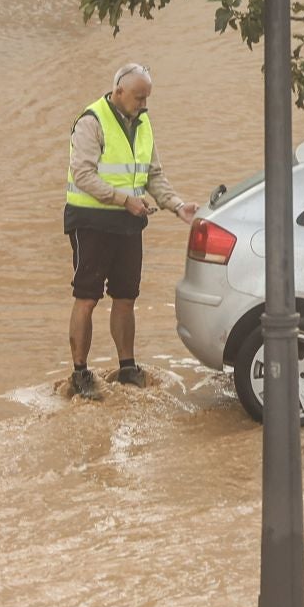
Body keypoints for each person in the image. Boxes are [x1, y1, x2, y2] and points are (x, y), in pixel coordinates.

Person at [64, 63, 198, 400]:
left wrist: (176, 205)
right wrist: (125, 200)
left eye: (147, 98)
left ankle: (127, 367)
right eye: (139, 97)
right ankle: (80, 372)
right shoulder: (91, 121)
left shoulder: (143, 122)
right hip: (91, 222)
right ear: (118, 92)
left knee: (126, 297)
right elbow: (83, 175)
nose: (143, 104)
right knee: (87, 297)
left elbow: (154, 173)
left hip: (128, 224)